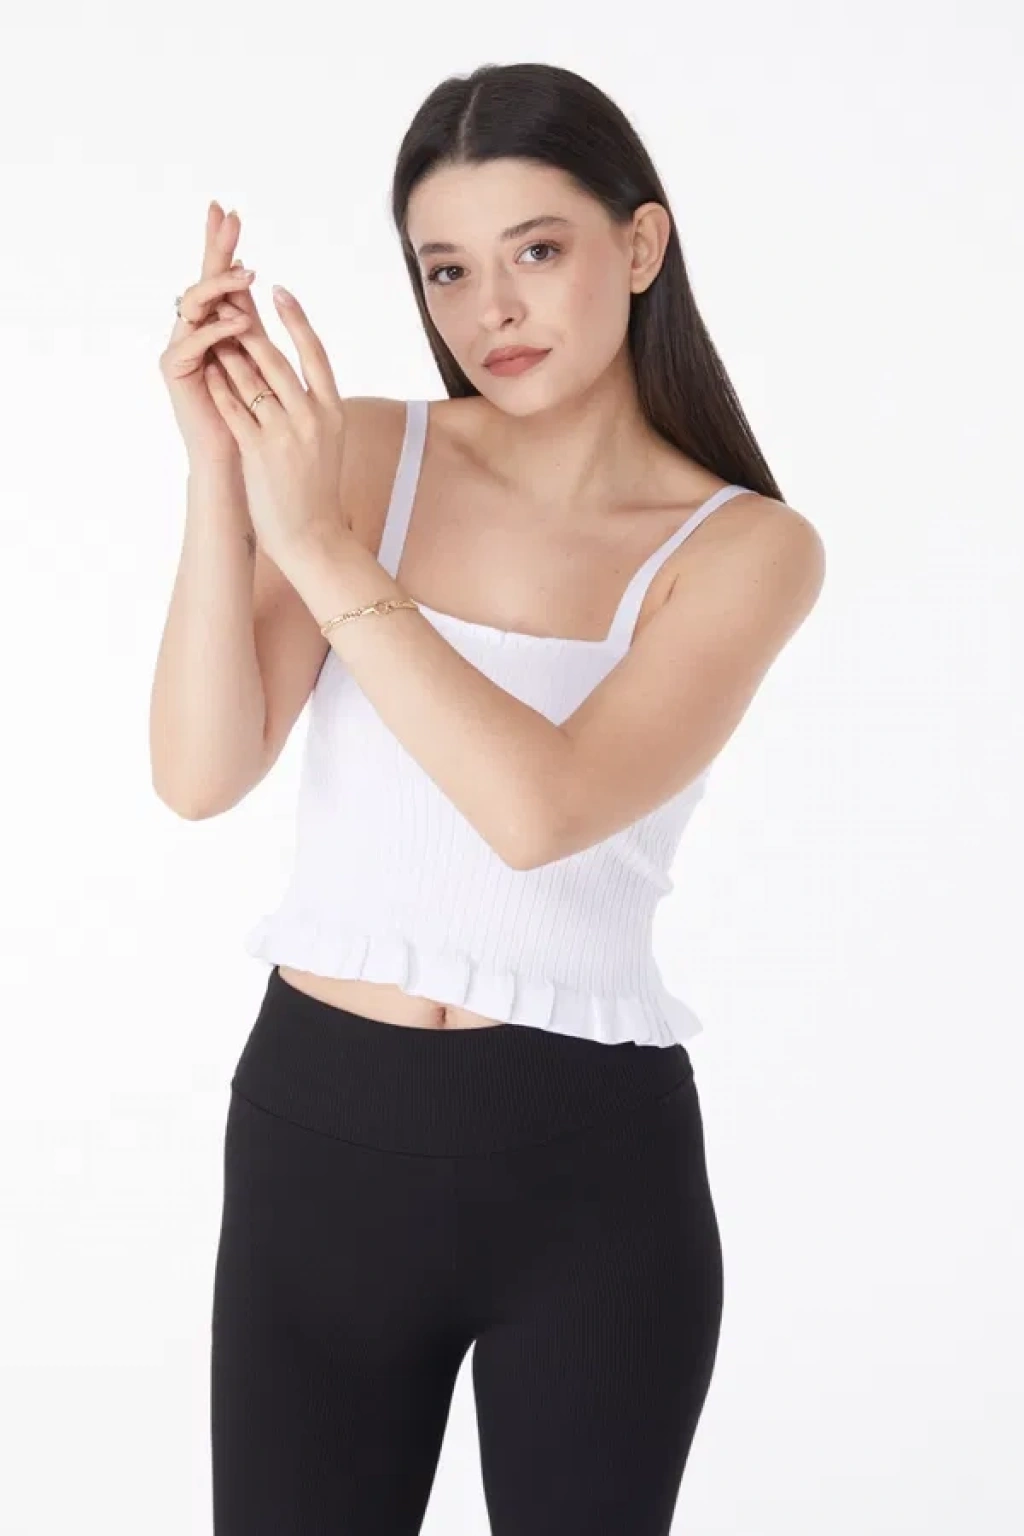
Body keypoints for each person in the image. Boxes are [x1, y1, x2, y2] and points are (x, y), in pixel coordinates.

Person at [151, 61, 825, 1536]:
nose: (490, 310)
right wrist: (221, 477)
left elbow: (540, 812)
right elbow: (200, 774)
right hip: (320, 1137)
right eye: (447, 269)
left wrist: (319, 547)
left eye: (536, 249)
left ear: (639, 246)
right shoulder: (362, 457)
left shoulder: (745, 549)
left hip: (589, 1176)